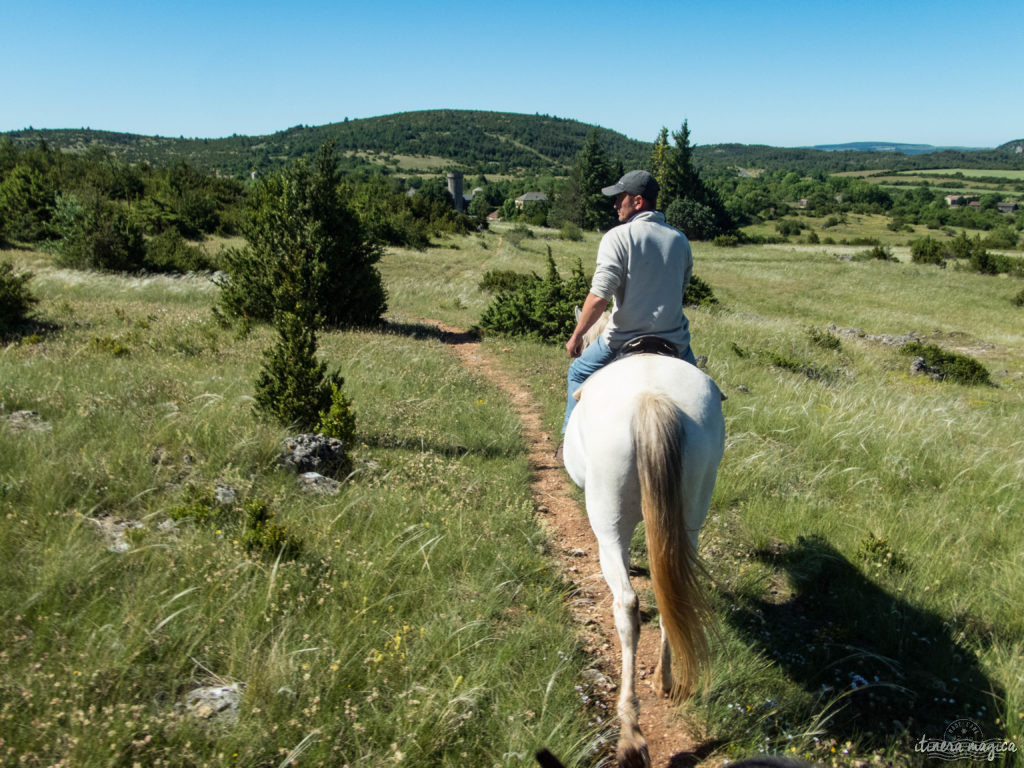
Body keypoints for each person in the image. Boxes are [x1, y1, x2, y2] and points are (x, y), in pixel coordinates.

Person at [562, 169, 697, 434]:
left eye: (620, 198)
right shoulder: (680, 240)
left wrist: (577, 335)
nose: (615, 205)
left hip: (622, 338)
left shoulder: (618, 236)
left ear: (637, 202)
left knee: (577, 373)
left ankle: (567, 441)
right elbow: (680, 290)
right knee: (704, 391)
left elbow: (600, 296)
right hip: (676, 341)